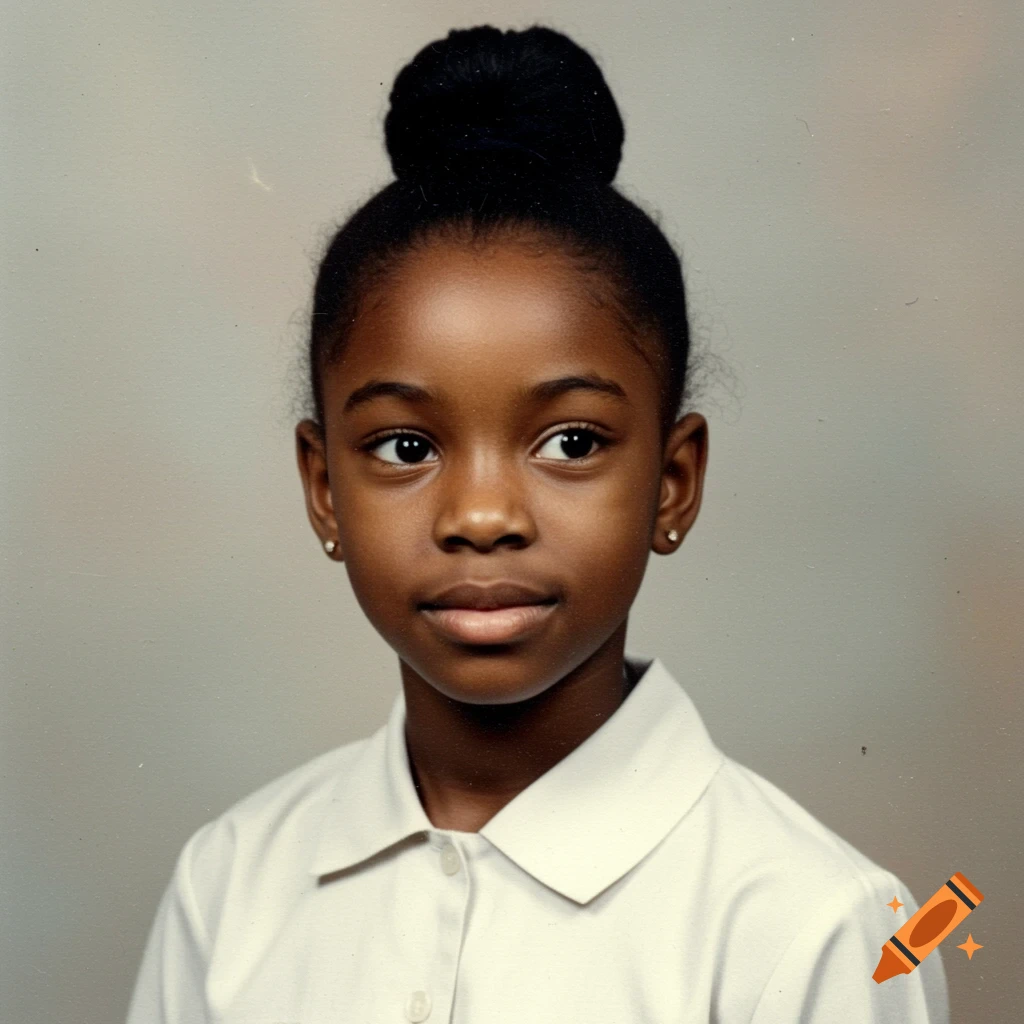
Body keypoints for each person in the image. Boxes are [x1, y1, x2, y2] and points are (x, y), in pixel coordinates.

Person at [127, 24, 949, 1024]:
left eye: (568, 443)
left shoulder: (815, 927)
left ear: (673, 481)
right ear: (322, 488)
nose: (481, 516)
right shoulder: (230, 888)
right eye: (404, 448)